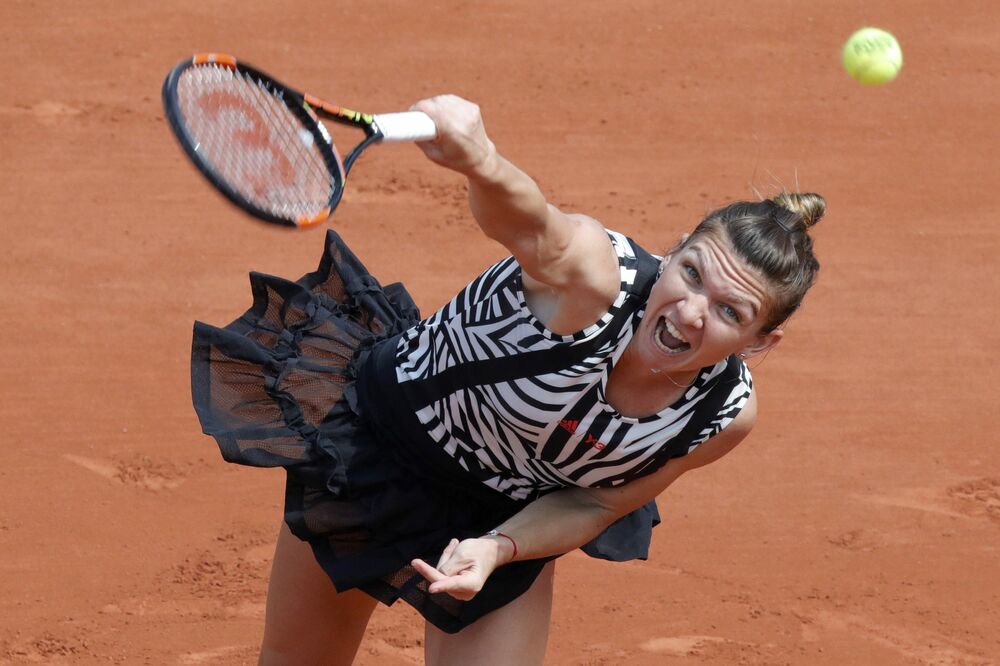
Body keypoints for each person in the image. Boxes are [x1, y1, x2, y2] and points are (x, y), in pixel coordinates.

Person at [190, 94, 825, 665]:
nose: (691, 312)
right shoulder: (594, 280)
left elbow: (597, 503)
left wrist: (499, 547)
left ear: (760, 342)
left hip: (505, 509)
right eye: (691, 274)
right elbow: (536, 227)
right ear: (676, 249)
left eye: (730, 312)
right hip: (384, 448)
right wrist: (482, 162)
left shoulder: (721, 414)